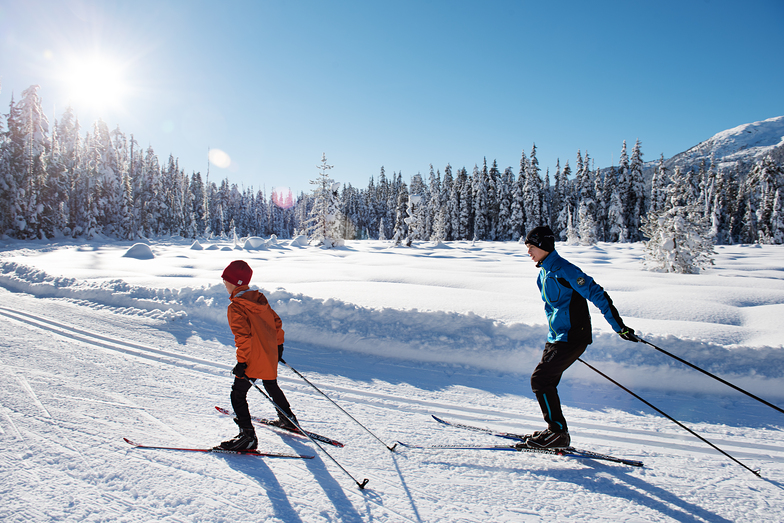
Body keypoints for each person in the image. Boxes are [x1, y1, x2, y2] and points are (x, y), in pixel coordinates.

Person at [521, 226, 638, 449]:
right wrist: (553, 337)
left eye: (532, 247)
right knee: (546, 381)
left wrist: (619, 327)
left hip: (573, 336)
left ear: (544, 246)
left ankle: (557, 433)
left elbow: (597, 294)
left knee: (540, 380)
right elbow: (553, 308)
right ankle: (556, 431)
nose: (528, 252)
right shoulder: (544, 272)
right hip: (558, 337)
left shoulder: (565, 270)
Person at [216, 260, 298, 451]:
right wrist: (278, 347)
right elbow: (276, 322)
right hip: (269, 353)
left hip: (253, 357)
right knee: (270, 384)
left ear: (235, 282)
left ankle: (248, 437)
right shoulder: (259, 299)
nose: (223, 283)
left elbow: (243, 338)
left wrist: (242, 363)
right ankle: (288, 420)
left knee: (237, 394)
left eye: (226, 280)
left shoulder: (236, 307)